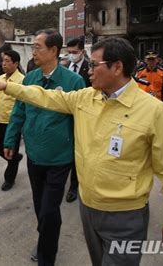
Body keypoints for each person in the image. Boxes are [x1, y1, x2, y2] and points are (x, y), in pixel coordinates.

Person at [0, 37, 163, 266]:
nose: (88, 70)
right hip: (88, 208)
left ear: (117, 67)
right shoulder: (86, 98)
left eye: (95, 65)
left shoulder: (153, 111)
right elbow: (46, 96)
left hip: (125, 215)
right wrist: (8, 87)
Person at [4, 30, 85, 265]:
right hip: (34, 155)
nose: (33, 51)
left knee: (50, 209)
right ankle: (46, 238)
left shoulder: (73, 82)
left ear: (53, 51)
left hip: (60, 158)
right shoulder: (30, 78)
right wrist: (10, 140)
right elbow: (18, 112)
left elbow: (80, 121)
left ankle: (46, 255)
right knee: (40, 205)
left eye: (38, 46)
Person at [0, 50, 25, 191]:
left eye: (7, 61)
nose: (3, 64)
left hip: (12, 122)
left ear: (16, 63)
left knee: (11, 149)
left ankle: (9, 179)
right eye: (3, 61)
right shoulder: (0, 78)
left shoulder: (22, 80)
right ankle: (15, 159)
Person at [65, 37, 91, 203]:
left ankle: (74, 185)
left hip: (84, 114)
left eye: (75, 52)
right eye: (69, 53)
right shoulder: (65, 67)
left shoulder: (90, 68)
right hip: (66, 114)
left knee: (78, 150)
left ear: (82, 51)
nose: (72, 56)